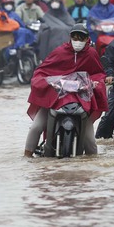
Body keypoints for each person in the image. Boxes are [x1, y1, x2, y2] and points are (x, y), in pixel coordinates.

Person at [24, 24, 108, 157]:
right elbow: (42, 71)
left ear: (87, 39)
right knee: (35, 127)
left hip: (81, 100)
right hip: (56, 99)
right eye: (75, 37)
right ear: (70, 38)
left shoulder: (91, 54)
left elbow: (98, 74)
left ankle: (92, 164)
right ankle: (26, 156)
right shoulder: (60, 51)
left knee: (90, 141)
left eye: (81, 38)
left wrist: (95, 83)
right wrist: (46, 82)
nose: (77, 41)